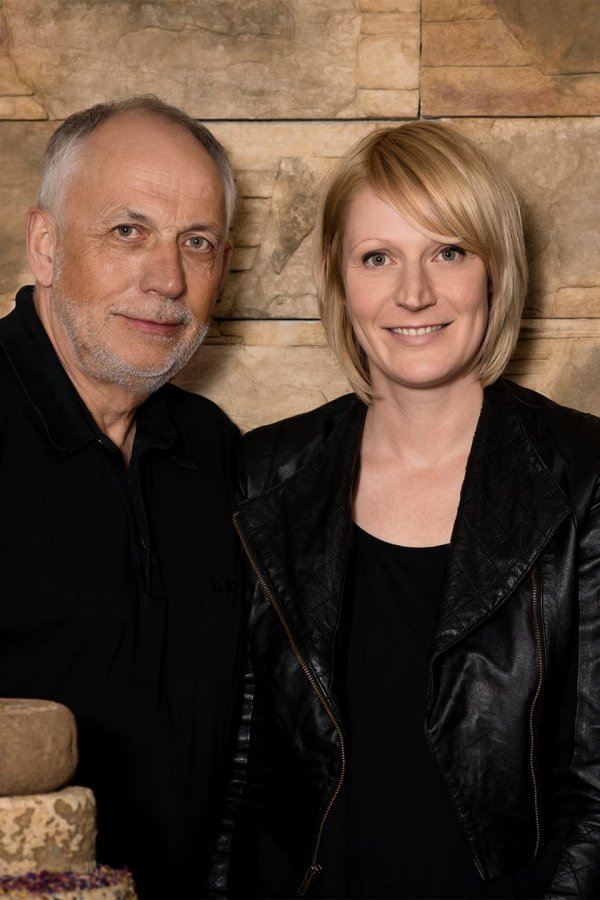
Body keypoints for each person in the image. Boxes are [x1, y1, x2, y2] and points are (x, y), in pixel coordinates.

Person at [223, 122, 600, 899]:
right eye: (378, 257)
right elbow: (240, 772)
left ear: (495, 269)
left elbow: (594, 794)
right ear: (339, 279)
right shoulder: (264, 476)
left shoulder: (586, 476)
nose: (414, 292)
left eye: (449, 252)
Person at [0, 96, 244, 898]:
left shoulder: (213, 452)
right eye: (128, 231)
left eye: (196, 243)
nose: (168, 279)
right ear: (45, 245)